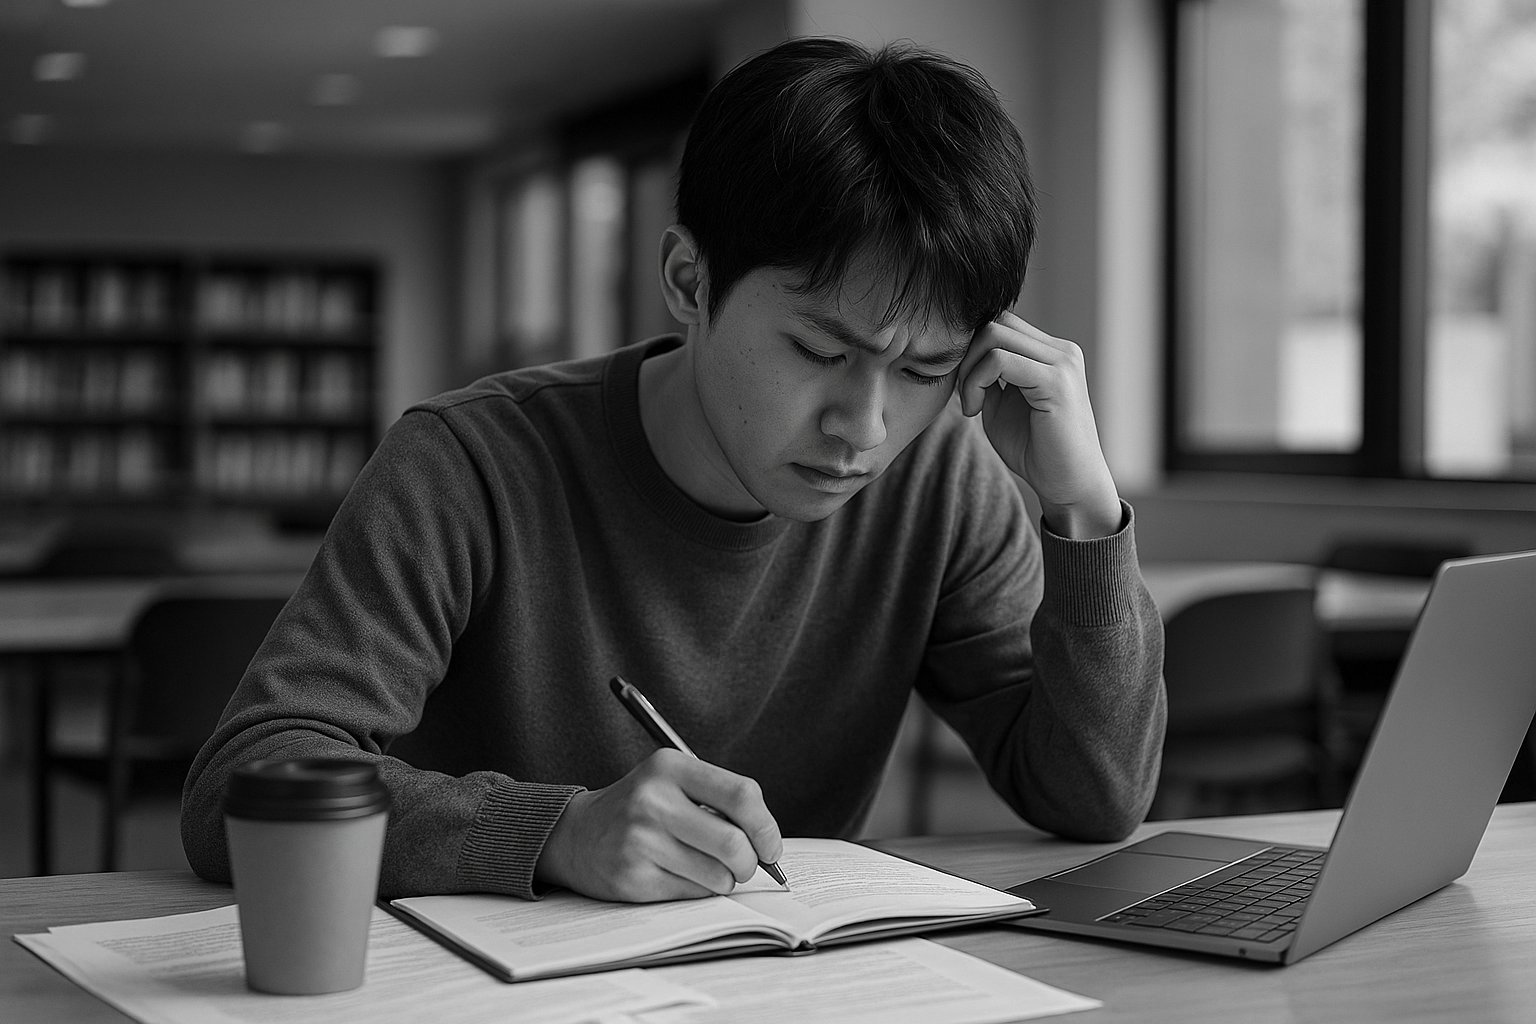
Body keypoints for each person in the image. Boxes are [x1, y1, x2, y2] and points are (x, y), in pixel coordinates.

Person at [182, 37, 1165, 903]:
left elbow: (1095, 797)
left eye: (922, 368)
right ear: (689, 281)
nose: (864, 425)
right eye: (820, 353)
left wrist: (1082, 510)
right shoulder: (469, 462)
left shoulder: (945, 485)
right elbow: (248, 780)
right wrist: (557, 831)